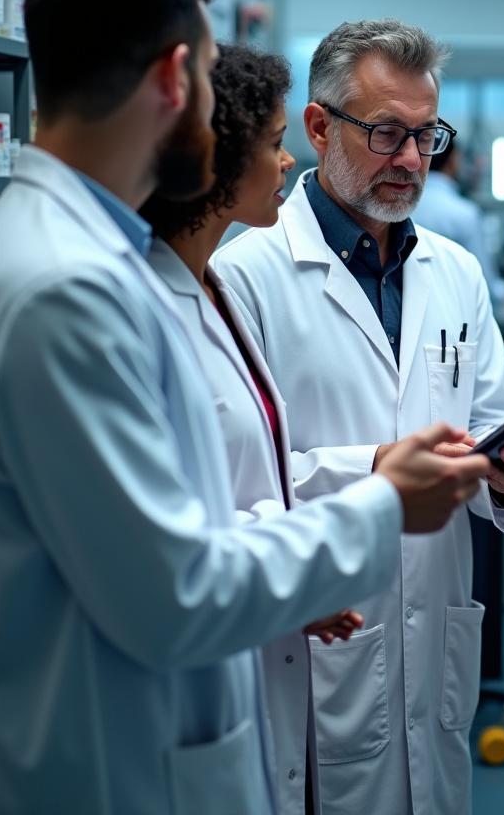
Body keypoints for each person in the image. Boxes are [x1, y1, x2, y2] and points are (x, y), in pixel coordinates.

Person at [0, 0, 489, 814]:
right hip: (113, 762)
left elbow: (180, 525)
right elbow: (177, 589)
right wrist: (379, 501)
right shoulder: (68, 289)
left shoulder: (93, 263)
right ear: (174, 79)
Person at [213, 18, 504, 815]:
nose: (411, 161)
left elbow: (493, 419)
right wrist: (373, 472)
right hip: (319, 635)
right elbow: (236, 484)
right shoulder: (246, 274)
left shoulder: (455, 272)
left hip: (432, 626)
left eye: (426, 136)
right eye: (386, 134)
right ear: (317, 126)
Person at [140, 43, 362, 814]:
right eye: (273, 142)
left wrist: (295, 582)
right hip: (194, 676)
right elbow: (166, 534)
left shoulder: (211, 286)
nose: (289, 159)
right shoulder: (150, 308)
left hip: (258, 641)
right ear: (216, 158)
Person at [413, 140, 504, 304]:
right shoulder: (465, 214)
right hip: (453, 307)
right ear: (452, 161)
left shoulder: (400, 207)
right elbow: (484, 281)